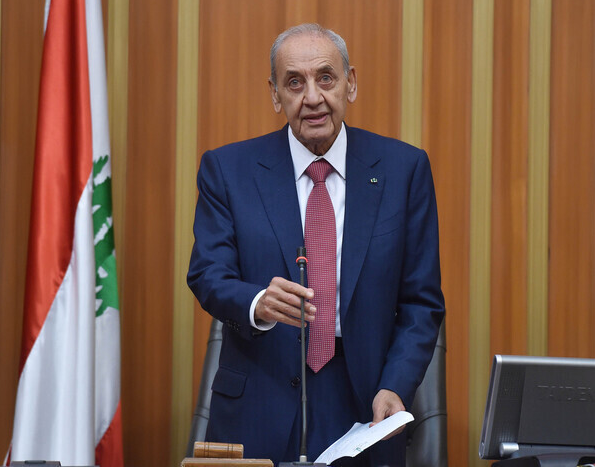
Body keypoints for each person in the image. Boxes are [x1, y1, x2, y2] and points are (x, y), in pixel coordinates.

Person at [187, 23, 444, 466]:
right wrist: (258, 302)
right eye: (294, 82)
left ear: (350, 83)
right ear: (275, 94)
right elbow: (208, 274)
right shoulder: (228, 169)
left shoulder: (404, 170)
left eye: (326, 77)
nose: (312, 97)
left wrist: (395, 384)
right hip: (260, 399)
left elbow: (421, 302)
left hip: (365, 402)